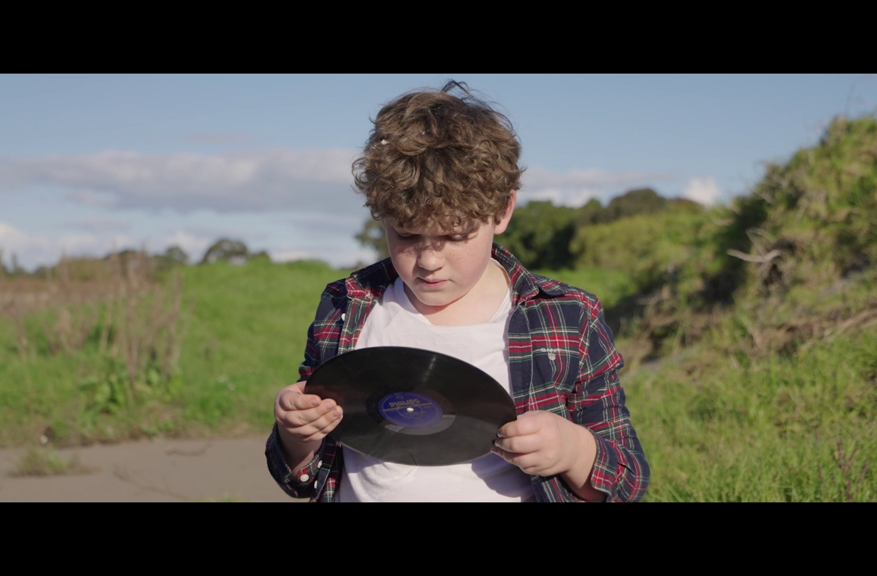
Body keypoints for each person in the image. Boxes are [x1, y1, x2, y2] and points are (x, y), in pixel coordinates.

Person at [265, 81, 649, 502]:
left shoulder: (569, 318)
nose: (429, 260)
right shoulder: (346, 305)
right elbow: (300, 475)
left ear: (502, 211)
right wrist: (296, 433)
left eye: (454, 235)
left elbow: (628, 482)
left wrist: (574, 450)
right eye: (407, 234)